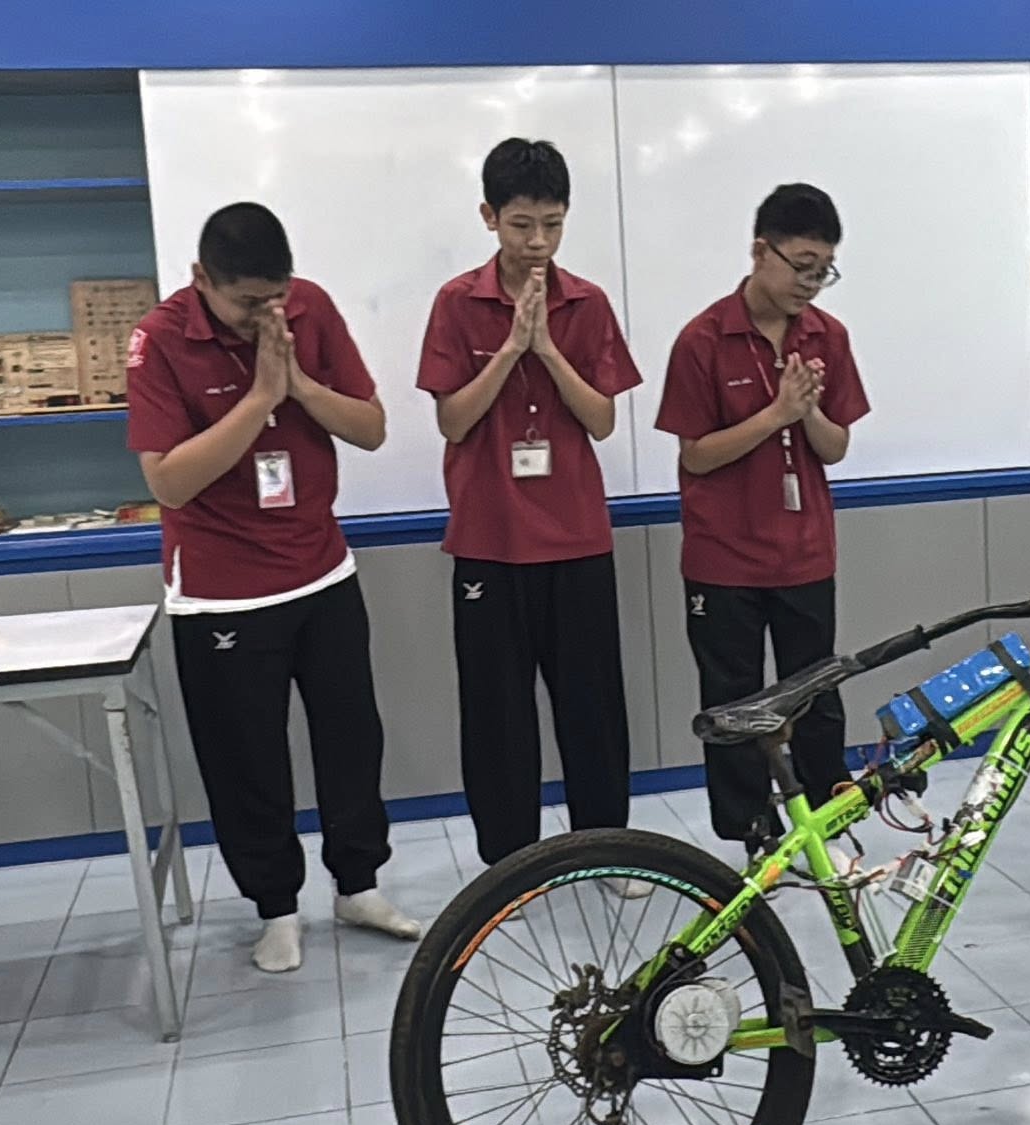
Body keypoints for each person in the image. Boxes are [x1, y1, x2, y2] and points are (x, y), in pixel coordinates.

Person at [127, 202, 420, 974]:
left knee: (352, 740)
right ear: (202, 279)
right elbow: (169, 481)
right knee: (247, 761)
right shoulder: (160, 340)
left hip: (321, 569)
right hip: (222, 590)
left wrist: (298, 386)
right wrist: (259, 398)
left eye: (275, 297)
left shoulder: (310, 309)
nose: (266, 314)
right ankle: (276, 910)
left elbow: (370, 428)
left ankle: (358, 886)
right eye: (247, 302)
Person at [416, 139, 645, 874]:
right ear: (489, 216)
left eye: (552, 223)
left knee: (592, 708)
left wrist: (547, 347)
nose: (538, 241)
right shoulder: (457, 302)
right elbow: (454, 421)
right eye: (521, 224)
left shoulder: (589, 302)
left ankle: (606, 850)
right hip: (489, 540)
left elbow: (602, 420)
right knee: (497, 715)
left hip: (577, 539)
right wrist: (512, 347)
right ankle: (508, 865)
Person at [653, 183, 871, 849]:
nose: (811, 283)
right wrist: (775, 414)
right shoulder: (702, 339)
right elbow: (697, 455)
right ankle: (752, 832)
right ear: (759, 251)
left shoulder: (828, 336)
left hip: (805, 552)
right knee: (734, 702)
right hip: (724, 560)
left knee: (817, 695)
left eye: (823, 270)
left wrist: (806, 412)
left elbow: (835, 447)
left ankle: (827, 823)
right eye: (802, 265)